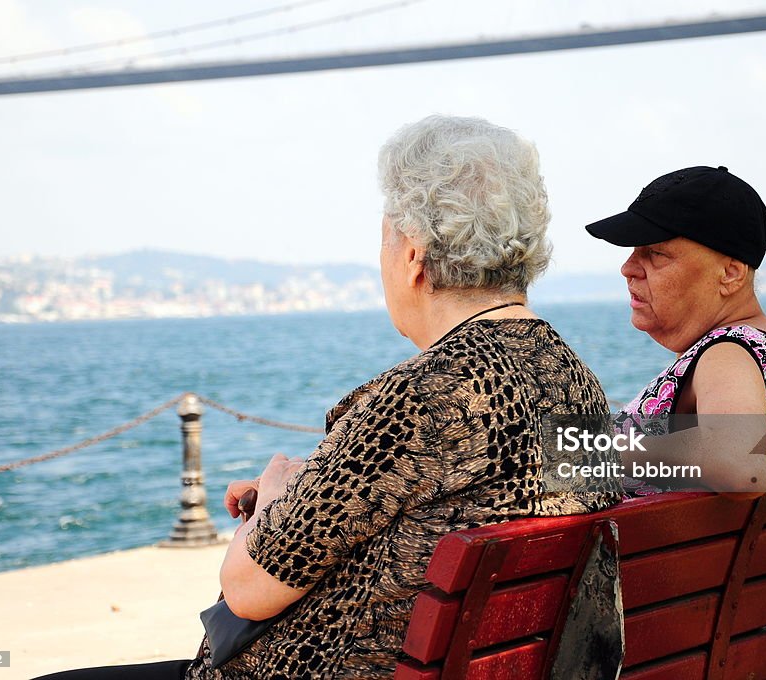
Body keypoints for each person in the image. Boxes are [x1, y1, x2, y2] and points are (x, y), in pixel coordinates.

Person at [32, 115, 619, 680]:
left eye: (386, 240)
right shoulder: (576, 381)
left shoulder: (419, 399)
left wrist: (279, 497)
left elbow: (248, 587)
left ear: (413, 255)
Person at [585, 165, 766, 498]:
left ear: (730, 273)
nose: (627, 268)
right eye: (634, 251)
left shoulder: (727, 354)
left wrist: (600, 450)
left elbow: (744, 468)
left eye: (656, 253)